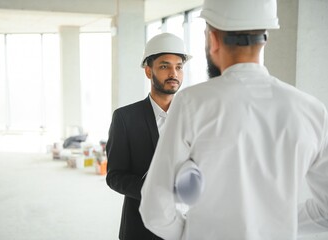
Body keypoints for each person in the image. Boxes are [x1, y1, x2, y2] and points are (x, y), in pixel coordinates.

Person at [139, 0, 328, 239]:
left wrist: (196, 231)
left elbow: (155, 209)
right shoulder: (311, 110)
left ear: (213, 39)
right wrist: (269, 224)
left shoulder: (191, 103)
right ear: (265, 37)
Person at [106, 33, 191, 240]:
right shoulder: (125, 118)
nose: (173, 73)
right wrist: (155, 190)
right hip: (142, 230)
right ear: (148, 71)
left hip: (188, 228)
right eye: (164, 66)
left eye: (179, 67)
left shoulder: (195, 115)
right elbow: (115, 176)